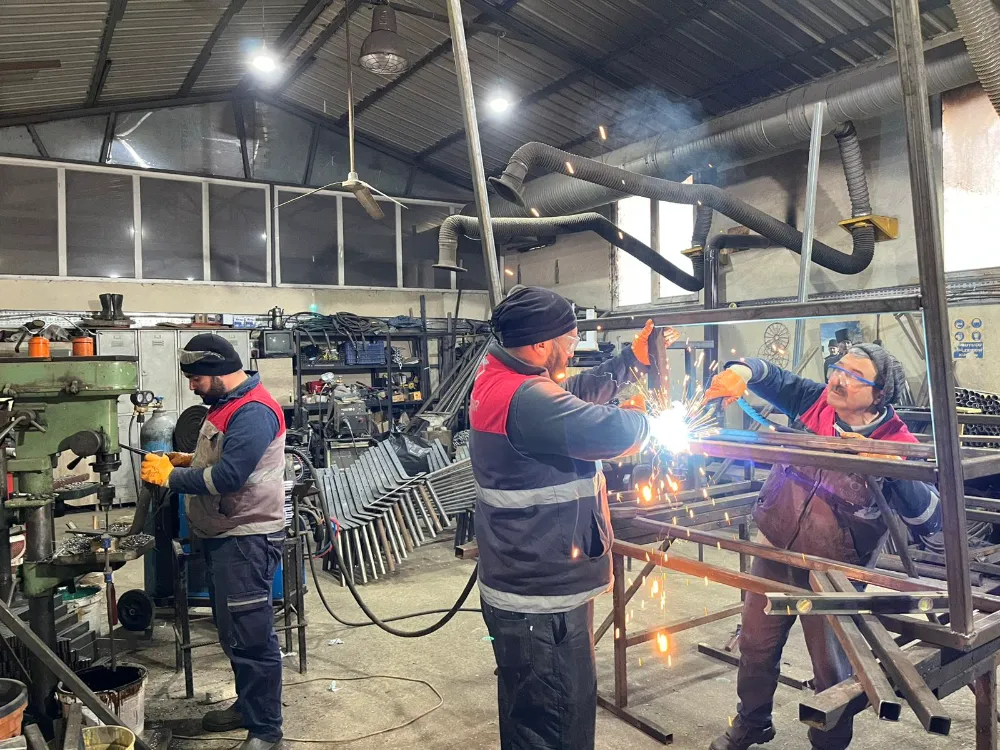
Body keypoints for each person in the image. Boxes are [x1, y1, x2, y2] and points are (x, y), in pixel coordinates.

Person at [704, 344, 941, 750]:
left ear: (879, 394)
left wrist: (883, 463)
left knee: (832, 669)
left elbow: (930, 521)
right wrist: (741, 371)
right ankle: (753, 722)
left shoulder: (895, 439)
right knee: (755, 645)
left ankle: (829, 744)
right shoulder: (815, 403)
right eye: (837, 368)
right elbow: (770, 375)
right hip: (776, 550)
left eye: (854, 376)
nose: (837, 379)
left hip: (835, 573)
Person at [470, 285, 677, 750]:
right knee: (558, 727)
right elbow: (606, 428)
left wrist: (630, 361)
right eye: (569, 339)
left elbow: (570, 397)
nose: (573, 347)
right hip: (543, 600)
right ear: (540, 343)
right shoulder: (526, 400)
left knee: (530, 718)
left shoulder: (501, 374)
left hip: (521, 582)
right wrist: (646, 420)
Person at [141, 334, 287, 750]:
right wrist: (188, 461)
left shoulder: (253, 411)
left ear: (220, 370)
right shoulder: (225, 405)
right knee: (233, 633)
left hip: (246, 538)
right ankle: (249, 707)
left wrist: (171, 477)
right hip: (225, 534)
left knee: (251, 637)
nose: (192, 386)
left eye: (197, 378)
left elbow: (229, 477)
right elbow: (223, 458)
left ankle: (266, 731)